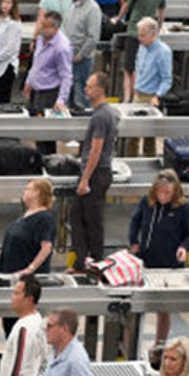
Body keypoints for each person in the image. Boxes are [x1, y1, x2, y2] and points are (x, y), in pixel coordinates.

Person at [128, 170, 189, 349]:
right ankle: (131, 342)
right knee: (136, 303)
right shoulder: (147, 203)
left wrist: (184, 247)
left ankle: (159, 345)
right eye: (160, 192)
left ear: (175, 192)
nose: (163, 196)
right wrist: (134, 241)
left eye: (167, 193)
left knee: (163, 309)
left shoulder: (183, 209)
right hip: (147, 259)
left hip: (169, 264)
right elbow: (135, 221)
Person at [72, 74, 119, 263]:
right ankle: (83, 259)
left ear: (100, 89)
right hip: (99, 172)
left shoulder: (100, 116)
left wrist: (85, 179)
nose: (86, 89)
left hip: (96, 174)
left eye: (90, 86)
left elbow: (96, 149)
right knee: (81, 217)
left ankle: (93, 261)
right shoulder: (108, 113)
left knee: (90, 221)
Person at [0, 276, 49, 376]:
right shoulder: (38, 320)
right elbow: (44, 356)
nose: (12, 298)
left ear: (29, 299)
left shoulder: (24, 328)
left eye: (16, 293)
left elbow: (18, 365)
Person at [0, 179, 57, 277]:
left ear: (37, 193)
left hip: (27, 275)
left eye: (28, 189)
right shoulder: (25, 215)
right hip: (10, 270)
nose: (24, 192)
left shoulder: (44, 218)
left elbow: (46, 247)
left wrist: (30, 269)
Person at [24, 12, 75, 112]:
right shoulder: (40, 38)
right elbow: (36, 63)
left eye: (44, 26)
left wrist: (61, 100)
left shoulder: (62, 48)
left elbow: (66, 76)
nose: (41, 28)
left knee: (42, 125)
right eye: (41, 24)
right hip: (35, 91)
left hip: (49, 94)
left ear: (55, 28)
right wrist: (29, 81)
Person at [64, 0, 104, 97]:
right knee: (68, 94)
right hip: (68, 57)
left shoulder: (93, 9)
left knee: (80, 94)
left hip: (82, 60)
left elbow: (93, 37)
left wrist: (79, 56)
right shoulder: (73, 6)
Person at [128, 17, 173, 106]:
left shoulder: (163, 51)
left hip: (152, 98)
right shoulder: (142, 46)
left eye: (143, 35)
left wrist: (157, 96)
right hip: (138, 94)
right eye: (139, 35)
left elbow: (167, 79)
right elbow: (138, 67)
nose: (139, 38)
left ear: (153, 34)